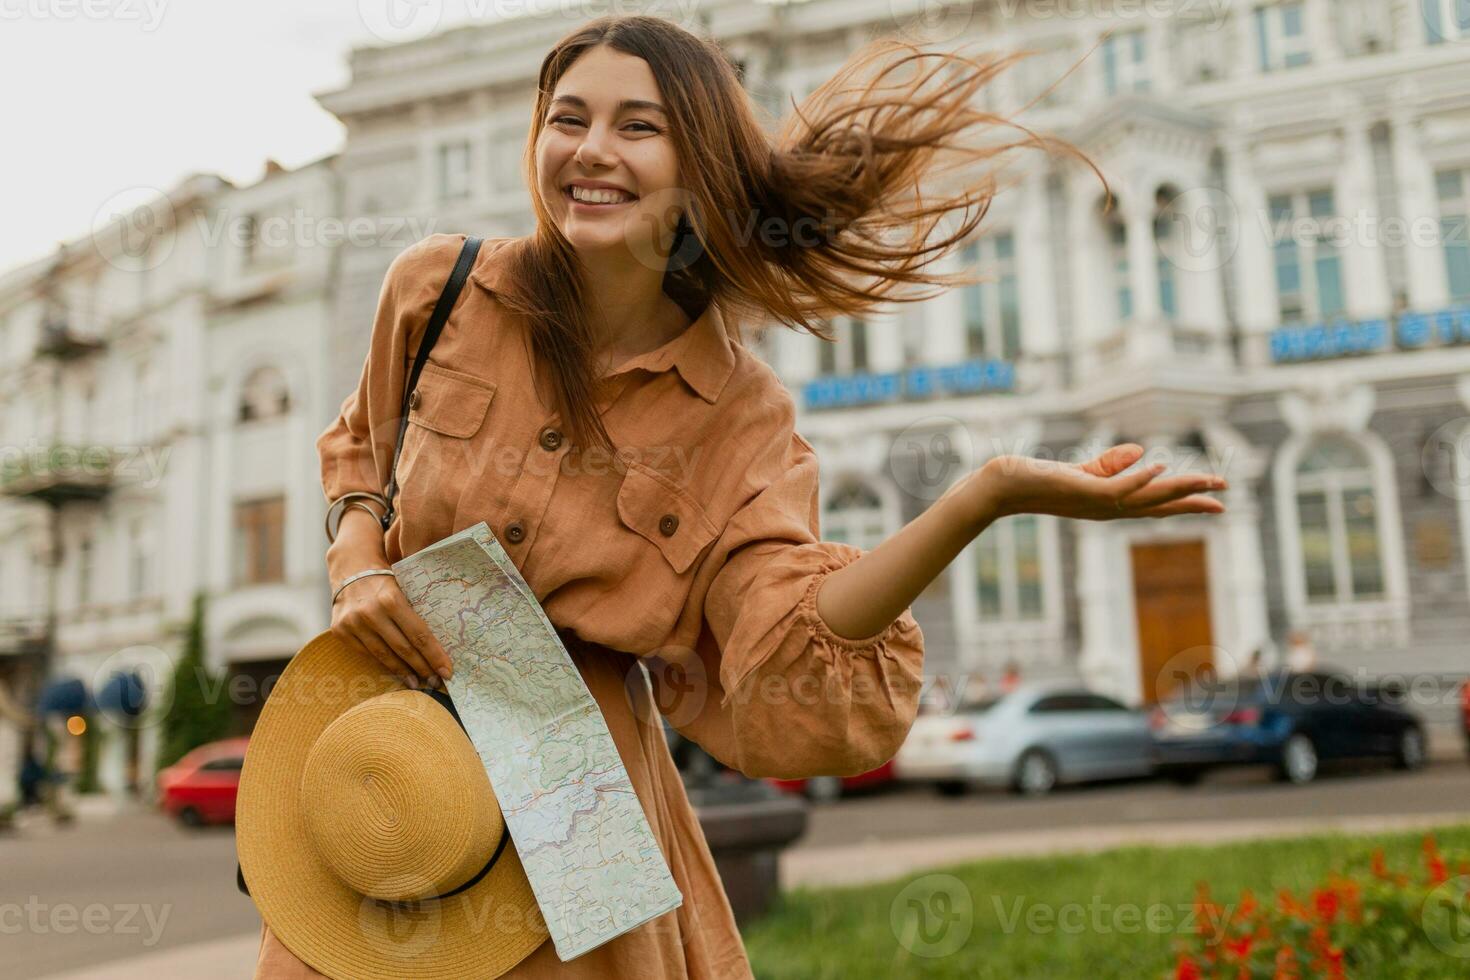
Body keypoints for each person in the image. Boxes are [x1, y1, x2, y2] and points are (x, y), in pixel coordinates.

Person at [257, 14, 1231, 978]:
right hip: (383, 760)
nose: (591, 150)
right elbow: (359, 448)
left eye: (638, 127)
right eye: (569, 117)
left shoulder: (739, 414)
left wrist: (986, 495)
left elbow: (793, 630)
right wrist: (356, 567)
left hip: (568, 788)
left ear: (697, 173)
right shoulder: (439, 288)